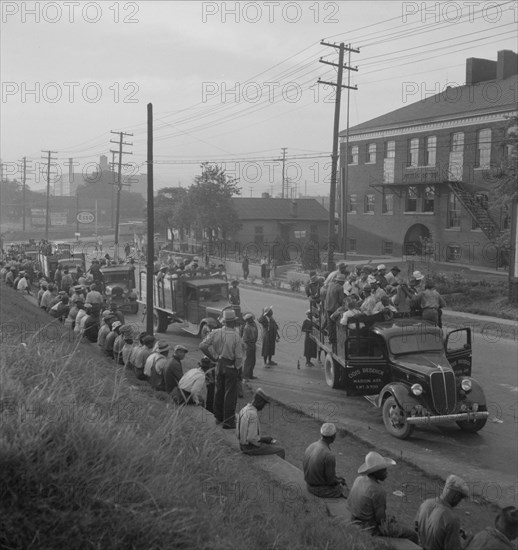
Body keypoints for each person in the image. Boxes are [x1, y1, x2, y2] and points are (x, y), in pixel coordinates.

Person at [348, 451, 419, 543]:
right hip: (369, 528)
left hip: (354, 519)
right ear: (376, 472)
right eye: (384, 470)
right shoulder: (378, 491)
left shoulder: (359, 479)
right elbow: (380, 521)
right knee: (412, 535)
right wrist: (389, 520)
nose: (387, 473)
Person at [199, 308, 243, 429]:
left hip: (219, 364)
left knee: (219, 391)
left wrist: (213, 358)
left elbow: (202, 346)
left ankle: (218, 417)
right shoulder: (236, 336)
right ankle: (228, 421)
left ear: (224, 321)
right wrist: (238, 368)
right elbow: (239, 357)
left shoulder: (216, 332)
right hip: (230, 366)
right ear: (233, 322)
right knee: (230, 394)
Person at [415, 474, 471, 550]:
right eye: (460, 498)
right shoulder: (453, 519)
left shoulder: (425, 503)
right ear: (456, 496)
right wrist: (469, 541)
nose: (459, 501)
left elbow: (416, 527)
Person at [236, 388, 285, 458]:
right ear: (259, 401)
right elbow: (251, 438)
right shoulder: (253, 414)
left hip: (241, 444)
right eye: (263, 404)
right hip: (250, 448)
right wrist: (264, 439)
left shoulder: (244, 409)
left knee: (269, 445)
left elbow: (239, 433)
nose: (263, 407)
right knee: (280, 450)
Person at [303, 423, 348, 498]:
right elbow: (330, 481)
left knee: (339, 480)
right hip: (317, 489)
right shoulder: (329, 455)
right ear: (333, 436)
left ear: (321, 434)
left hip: (308, 484)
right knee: (344, 489)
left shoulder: (311, 445)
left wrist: (337, 478)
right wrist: (339, 481)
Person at [242, 312, 258, 381]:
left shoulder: (253, 325)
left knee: (252, 360)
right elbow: (245, 339)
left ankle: (250, 374)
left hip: (253, 344)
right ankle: (246, 375)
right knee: (248, 361)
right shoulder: (247, 327)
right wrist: (250, 344)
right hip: (249, 345)